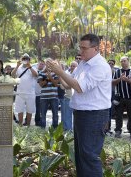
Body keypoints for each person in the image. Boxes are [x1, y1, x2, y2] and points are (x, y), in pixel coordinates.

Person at [46, 34, 111, 177]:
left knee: (89, 156)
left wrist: (60, 71)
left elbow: (80, 87)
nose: (80, 51)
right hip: (82, 113)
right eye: (80, 47)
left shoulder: (100, 66)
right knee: (81, 156)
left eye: (84, 48)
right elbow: (69, 85)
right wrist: (56, 73)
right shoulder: (83, 64)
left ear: (95, 48)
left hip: (95, 115)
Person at [11, 53, 37, 126]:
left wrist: (30, 67)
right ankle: (20, 125)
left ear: (29, 60)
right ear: (21, 59)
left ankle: (28, 125)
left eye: (27, 59)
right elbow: (12, 75)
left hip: (30, 93)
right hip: (20, 93)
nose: (25, 60)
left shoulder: (33, 67)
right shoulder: (18, 68)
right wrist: (17, 66)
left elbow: (36, 75)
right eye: (24, 59)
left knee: (30, 110)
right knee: (19, 110)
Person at [112, 56, 131, 139]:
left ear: (128, 61)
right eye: (121, 61)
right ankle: (118, 130)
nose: (123, 62)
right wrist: (120, 79)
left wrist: (127, 80)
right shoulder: (117, 71)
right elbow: (112, 82)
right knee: (118, 115)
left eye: (124, 61)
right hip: (120, 97)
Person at [38, 58, 60, 129]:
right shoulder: (41, 73)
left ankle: (55, 130)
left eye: (50, 63)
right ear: (45, 64)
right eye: (47, 63)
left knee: (55, 114)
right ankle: (42, 130)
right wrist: (48, 78)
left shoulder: (56, 73)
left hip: (54, 97)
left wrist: (51, 77)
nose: (48, 64)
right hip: (44, 97)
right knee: (43, 115)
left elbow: (56, 84)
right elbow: (41, 84)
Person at [60, 61, 78, 131]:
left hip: (76, 99)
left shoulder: (79, 75)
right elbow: (62, 87)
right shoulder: (67, 75)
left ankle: (74, 131)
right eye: (71, 65)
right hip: (67, 98)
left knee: (76, 117)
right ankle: (68, 131)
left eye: (74, 66)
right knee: (67, 116)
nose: (72, 67)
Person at [35, 60, 45, 126]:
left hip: (41, 93)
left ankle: (38, 121)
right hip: (33, 92)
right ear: (37, 64)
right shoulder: (34, 72)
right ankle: (27, 119)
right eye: (40, 64)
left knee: (39, 108)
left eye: (42, 64)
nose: (41, 65)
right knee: (31, 108)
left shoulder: (44, 73)